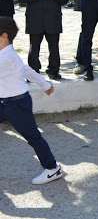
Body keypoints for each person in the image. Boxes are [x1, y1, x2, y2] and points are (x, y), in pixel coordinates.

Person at [0, 17, 63, 184]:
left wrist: (45, 84)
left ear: (4, 36)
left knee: (33, 137)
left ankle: (52, 169)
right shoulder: (7, 55)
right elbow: (27, 70)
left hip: (17, 104)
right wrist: (44, 84)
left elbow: (26, 70)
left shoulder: (7, 58)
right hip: (5, 102)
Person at [17, 0, 69, 80]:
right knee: (34, 47)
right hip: (34, 19)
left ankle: (53, 71)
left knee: (54, 47)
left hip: (53, 18)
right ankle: (33, 73)